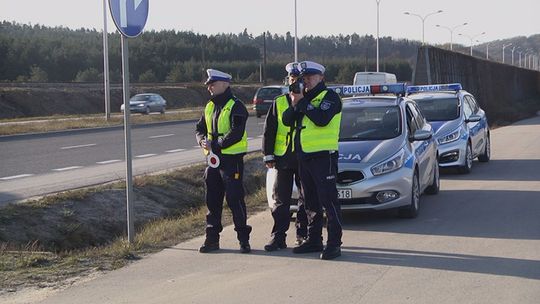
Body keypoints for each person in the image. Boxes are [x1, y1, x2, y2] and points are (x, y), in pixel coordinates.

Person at [282, 61, 343, 260]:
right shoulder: (303, 98)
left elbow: (322, 119)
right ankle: (314, 239)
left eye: (310, 76)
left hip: (324, 157)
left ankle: (334, 243)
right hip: (305, 157)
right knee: (310, 202)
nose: (306, 80)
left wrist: (303, 103)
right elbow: (286, 120)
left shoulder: (330, 97)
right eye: (304, 77)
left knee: (329, 202)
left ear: (321, 78)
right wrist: (295, 101)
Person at [195, 69, 252, 254]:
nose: (209, 87)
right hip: (212, 162)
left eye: (213, 83)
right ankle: (212, 240)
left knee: (235, 200)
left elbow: (236, 132)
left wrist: (216, 145)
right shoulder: (209, 106)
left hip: (231, 161)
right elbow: (200, 128)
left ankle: (244, 240)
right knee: (212, 200)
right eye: (209, 84)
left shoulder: (237, 106)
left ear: (225, 84)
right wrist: (201, 140)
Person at [262, 62, 308, 251]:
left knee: (305, 199)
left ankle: (302, 235)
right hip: (283, 158)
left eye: (298, 80)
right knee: (280, 199)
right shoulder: (279, 102)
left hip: (305, 156)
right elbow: (269, 130)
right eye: (291, 79)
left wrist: (301, 100)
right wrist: (268, 154)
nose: (294, 83)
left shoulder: (309, 100)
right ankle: (278, 236)